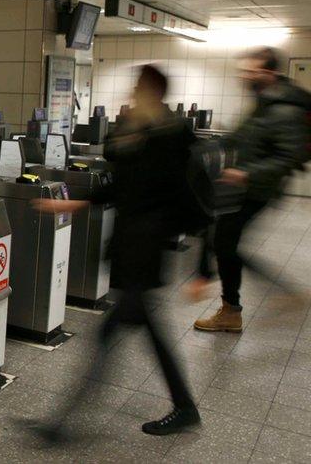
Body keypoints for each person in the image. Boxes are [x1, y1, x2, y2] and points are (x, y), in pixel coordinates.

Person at [28, 65, 200, 439]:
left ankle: (60, 425)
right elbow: (122, 183)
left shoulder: (169, 140)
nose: (133, 92)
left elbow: (186, 200)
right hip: (132, 249)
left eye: (139, 87)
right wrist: (74, 203)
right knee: (144, 336)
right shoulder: (146, 133)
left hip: (144, 251)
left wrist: (205, 269)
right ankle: (185, 407)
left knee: (106, 340)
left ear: (153, 91)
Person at [190, 47, 310, 332]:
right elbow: (241, 136)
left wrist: (246, 173)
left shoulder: (284, 109)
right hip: (245, 186)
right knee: (223, 242)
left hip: (258, 190)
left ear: (270, 72)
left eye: (252, 71)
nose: (245, 76)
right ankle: (233, 307)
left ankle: (239, 306)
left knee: (225, 243)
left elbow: (288, 156)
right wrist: (205, 145)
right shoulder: (265, 103)